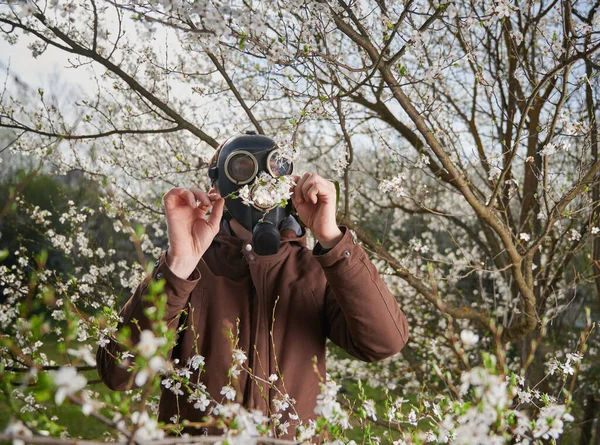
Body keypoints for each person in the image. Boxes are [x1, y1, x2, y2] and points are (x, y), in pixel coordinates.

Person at [96, 132, 409, 439]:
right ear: (216, 186)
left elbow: (383, 343)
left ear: (288, 182)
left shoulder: (316, 270)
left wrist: (331, 238)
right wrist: (178, 262)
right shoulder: (190, 270)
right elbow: (119, 373)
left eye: (273, 168)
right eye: (242, 169)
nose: (257, 181)